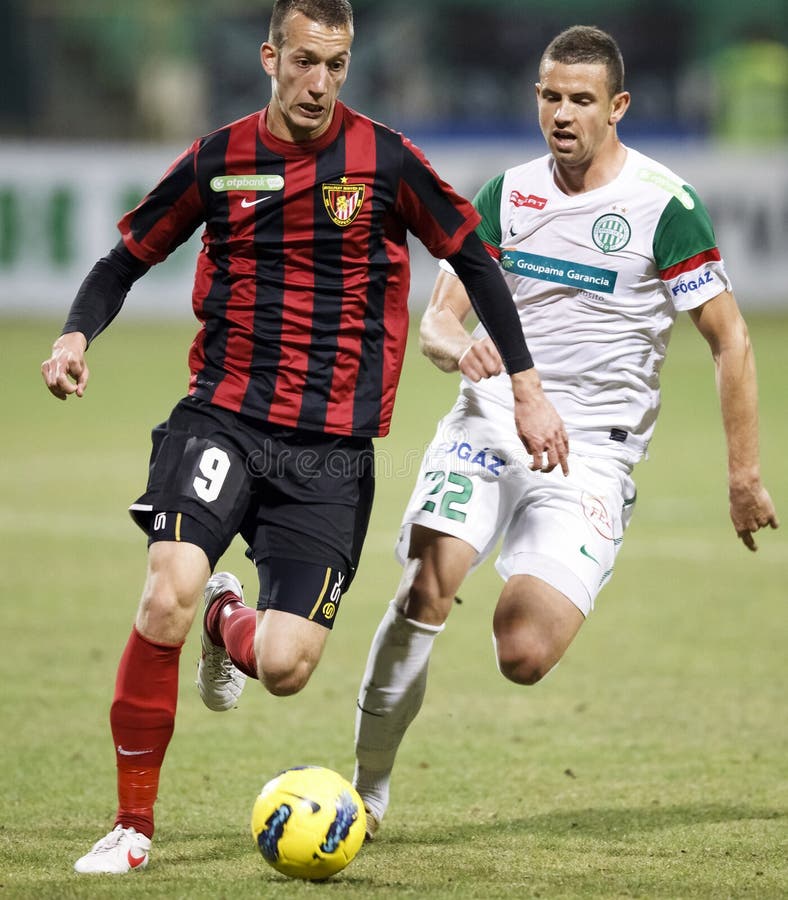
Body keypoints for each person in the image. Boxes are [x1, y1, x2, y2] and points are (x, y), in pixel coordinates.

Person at [41, 0, 567, 876]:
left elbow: (475, 258)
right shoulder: (219, 159)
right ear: (269, 58)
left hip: (330, 450)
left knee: (284, 666)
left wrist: (526, 384)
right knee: (164, 589)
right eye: (305, 62)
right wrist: (73, 334)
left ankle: (225, 616)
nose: (320, 82)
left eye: (337, 64)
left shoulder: (385, 159)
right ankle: (133, 826)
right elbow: (124, 257)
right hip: (225, 416)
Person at [352, 24, 779, 839]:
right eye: (550, 96)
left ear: (617, 106)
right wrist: (458, 347)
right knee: (426, 584)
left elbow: (731, 340)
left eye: (581, 99)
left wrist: (744, 474)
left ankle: (553, 564)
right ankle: (366, 788)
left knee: (523, 653)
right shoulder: (505, 197)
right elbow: (436, 323)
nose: (562, 113)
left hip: (591, 456)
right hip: (490, 425)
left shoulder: (665, 206)